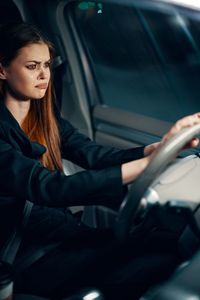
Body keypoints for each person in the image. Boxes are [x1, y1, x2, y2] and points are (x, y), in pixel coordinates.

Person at [0, 22, 199, 300]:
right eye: (32, 66)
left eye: (47, 65)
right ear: (2, 69)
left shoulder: (45, 117)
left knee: (163, 240)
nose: (44, 75)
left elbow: (94, 155)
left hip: (61, 232)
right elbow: (48, 188)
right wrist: (144, 167)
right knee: (148, 261)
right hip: (23, 253)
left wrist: (157, 149)